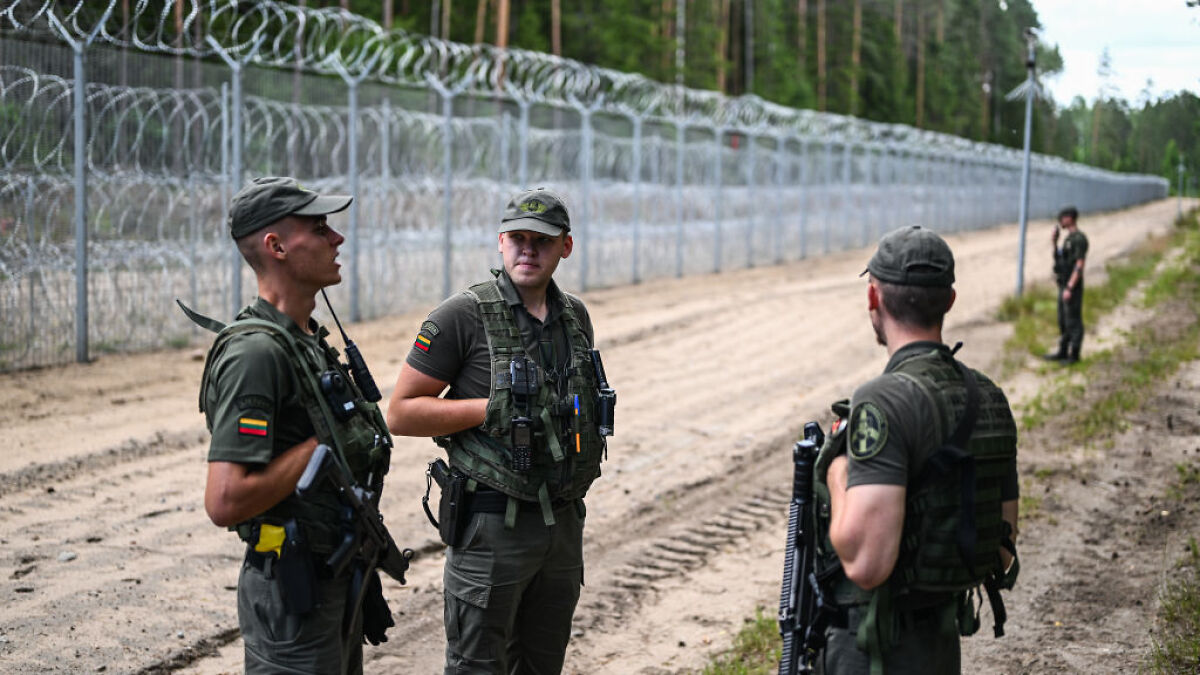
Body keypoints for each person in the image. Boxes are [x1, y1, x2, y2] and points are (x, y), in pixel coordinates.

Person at [388, 187, 609, 674]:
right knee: (478, 667)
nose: (528, 250)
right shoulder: (461, 315)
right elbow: (401, 412)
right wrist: (489, 409)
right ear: (500, 242)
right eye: (518, 239)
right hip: (492, 527)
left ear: (565, 247)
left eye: (543, 241)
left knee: (540, 664)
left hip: (562, 525)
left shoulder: (574, 316)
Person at [189, 177, 396, 674]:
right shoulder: (256, 353)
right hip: (292, 589)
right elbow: (225, 500)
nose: (337, 239)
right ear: (276, 246)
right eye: (320, 229)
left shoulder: (306, 339)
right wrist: (310, 455)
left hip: (332, 578)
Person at [811, 226, 1019, 674]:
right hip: (939, 646)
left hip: (873, 649)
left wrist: (837, 473)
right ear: (950, 300)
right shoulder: (988, 397)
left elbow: (867, 564)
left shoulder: (882, 402)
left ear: (874, 299)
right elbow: (1002, 549)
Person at [1046, 206, 1088, 364]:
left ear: (1070, 218)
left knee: (1073, 320)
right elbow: (1059, 259)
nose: (1060, 220)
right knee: (1063, 319)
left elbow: (1080, 263)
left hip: (1072, 286)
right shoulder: (1068, 239)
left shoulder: (1079, 239)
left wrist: (1070, 287)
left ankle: (1074, 354)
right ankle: (1063, 351)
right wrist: (1054, 242)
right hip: (1063, 284)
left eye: (1063, 217)